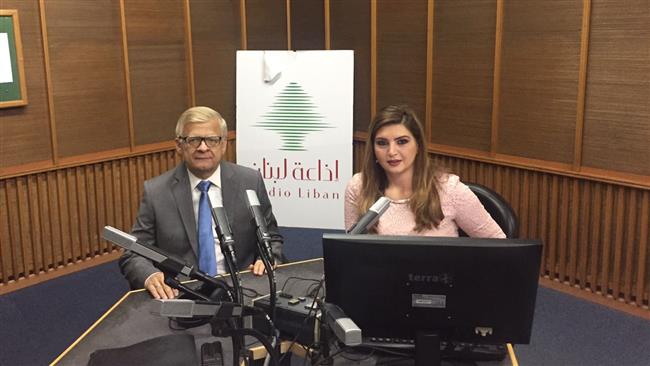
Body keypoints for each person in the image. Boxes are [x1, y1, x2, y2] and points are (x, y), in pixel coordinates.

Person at [119, 106, 283, 299]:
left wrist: (267, 258)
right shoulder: (157, 192)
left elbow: (272, 238)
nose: (203, 147)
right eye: (194, 140)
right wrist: (151, 275)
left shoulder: (249, 181)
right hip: (182, 294)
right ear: (179, 145)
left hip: (243, 291)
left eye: (212, 140)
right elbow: (133, 253)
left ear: (223, 144)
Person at [344, 105, 505, 238]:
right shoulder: (359, 186)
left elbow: (499, 246)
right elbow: (351, 250)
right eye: (382, 143)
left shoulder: (450, 190)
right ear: (373, 149)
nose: (392, 151)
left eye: (402, 142)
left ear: (418, 145)